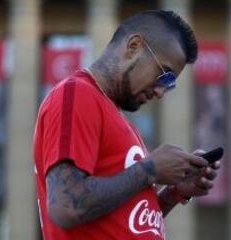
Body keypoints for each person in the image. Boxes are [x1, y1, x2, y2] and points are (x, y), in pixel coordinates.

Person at [34, 10, 220, 240]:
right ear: (134, 46)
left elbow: (123, 222)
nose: (161, 92)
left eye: (170, 84)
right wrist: (150, 169)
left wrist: (173, 194)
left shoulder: (120, 121)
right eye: (164, 75)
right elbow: (66, 206)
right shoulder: (77, 94)